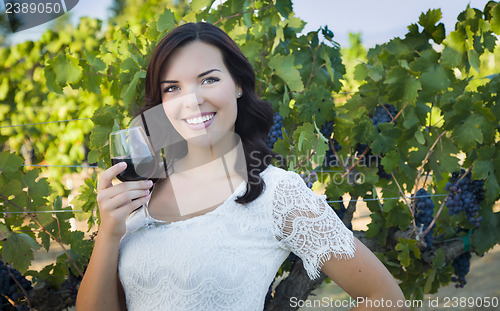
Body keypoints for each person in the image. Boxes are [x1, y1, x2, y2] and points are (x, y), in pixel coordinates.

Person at [76, 22, 408, 311]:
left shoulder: (278, 193)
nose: (191, 99)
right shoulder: (141, 193)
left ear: (237, 84)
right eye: (173, 88)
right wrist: (108, 233)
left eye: (207, 80)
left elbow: (384, 297)